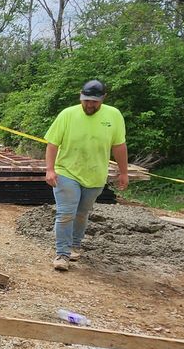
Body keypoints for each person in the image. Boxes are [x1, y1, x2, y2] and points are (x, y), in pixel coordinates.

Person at [44, 79, 129, 271]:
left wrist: (123, 172)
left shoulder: (114, 116)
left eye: (94, 102)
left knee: (82, 214)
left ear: (103, 99)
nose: (89, 105)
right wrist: (50, 169)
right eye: (86, 100)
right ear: (80, 97)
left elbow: (119, 146)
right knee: (66, 213)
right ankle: (62, 254)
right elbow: (52, 143)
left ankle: (74, 245)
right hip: (66, 171)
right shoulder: (67, 114)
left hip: (95, 175)